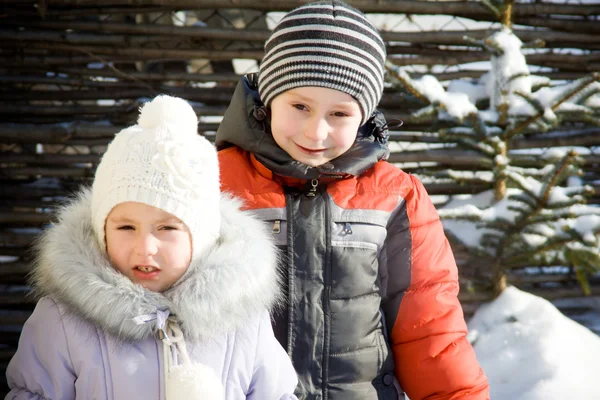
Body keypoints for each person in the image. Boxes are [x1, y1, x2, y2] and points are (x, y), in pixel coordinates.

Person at [215, 1, 490, 399]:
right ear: (267, 100)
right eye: (299, 106)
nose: (316, 131)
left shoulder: (395, 197)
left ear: (363, 116)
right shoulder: (213, 182)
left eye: (339, 114)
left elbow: (429, 327)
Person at [5, 95, 298, 400]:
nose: (145, 248)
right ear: (101, 231)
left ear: (202, 236)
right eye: (126, 227)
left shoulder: (241, 318)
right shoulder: (63, 319)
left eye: (167, 228)